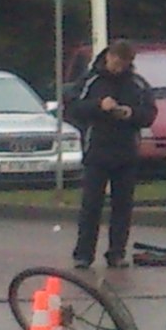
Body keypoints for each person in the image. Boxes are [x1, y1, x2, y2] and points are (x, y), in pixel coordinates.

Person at [67, 39, 157, 269]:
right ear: (108, 57)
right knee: (91, 205)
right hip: (97, 150)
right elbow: (73, 107)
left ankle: (116, 253)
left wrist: (131, 113)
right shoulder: (90, 80)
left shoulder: (138, 84)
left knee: (123, 206)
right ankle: (83, 254)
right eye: (115, 61)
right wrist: (99, 105)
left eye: (124, 63)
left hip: (126, 152)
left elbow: (149, 114)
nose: (118, 67)